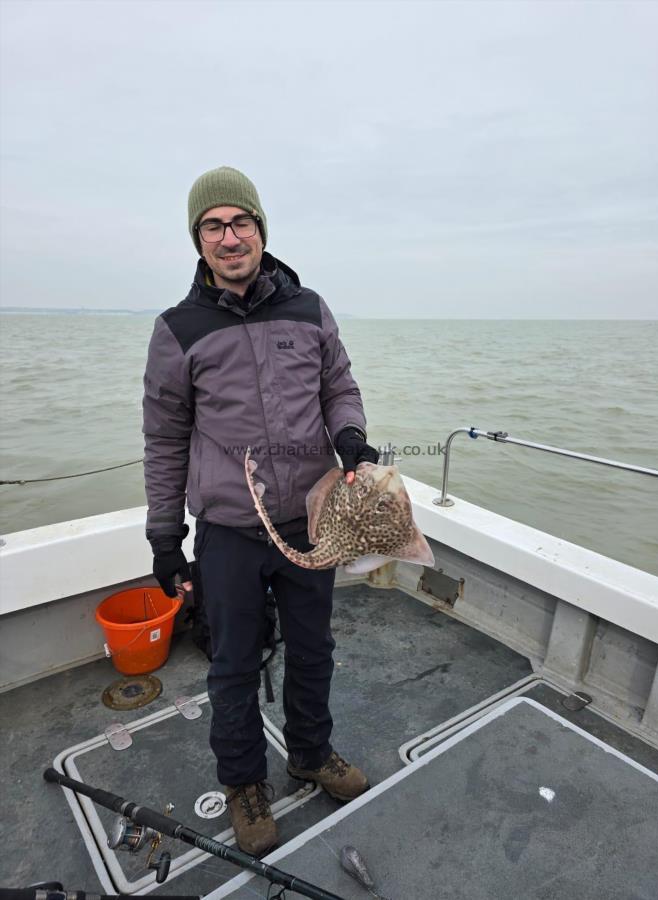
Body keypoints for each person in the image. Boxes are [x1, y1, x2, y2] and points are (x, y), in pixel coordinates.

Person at [142, 165, 379, 857]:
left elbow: (339, 385)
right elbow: (163, 437)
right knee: (232, 663)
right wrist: (164, 534)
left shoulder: (307, 308)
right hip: (228, 531)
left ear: (260, 230)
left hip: (311, 517)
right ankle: (245, 783)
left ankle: (310, 752)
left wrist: (350, 437)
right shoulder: (176, 329)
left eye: (239, 221)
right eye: (212, 226)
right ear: (198, 240)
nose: (229, 235)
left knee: (314, 649)